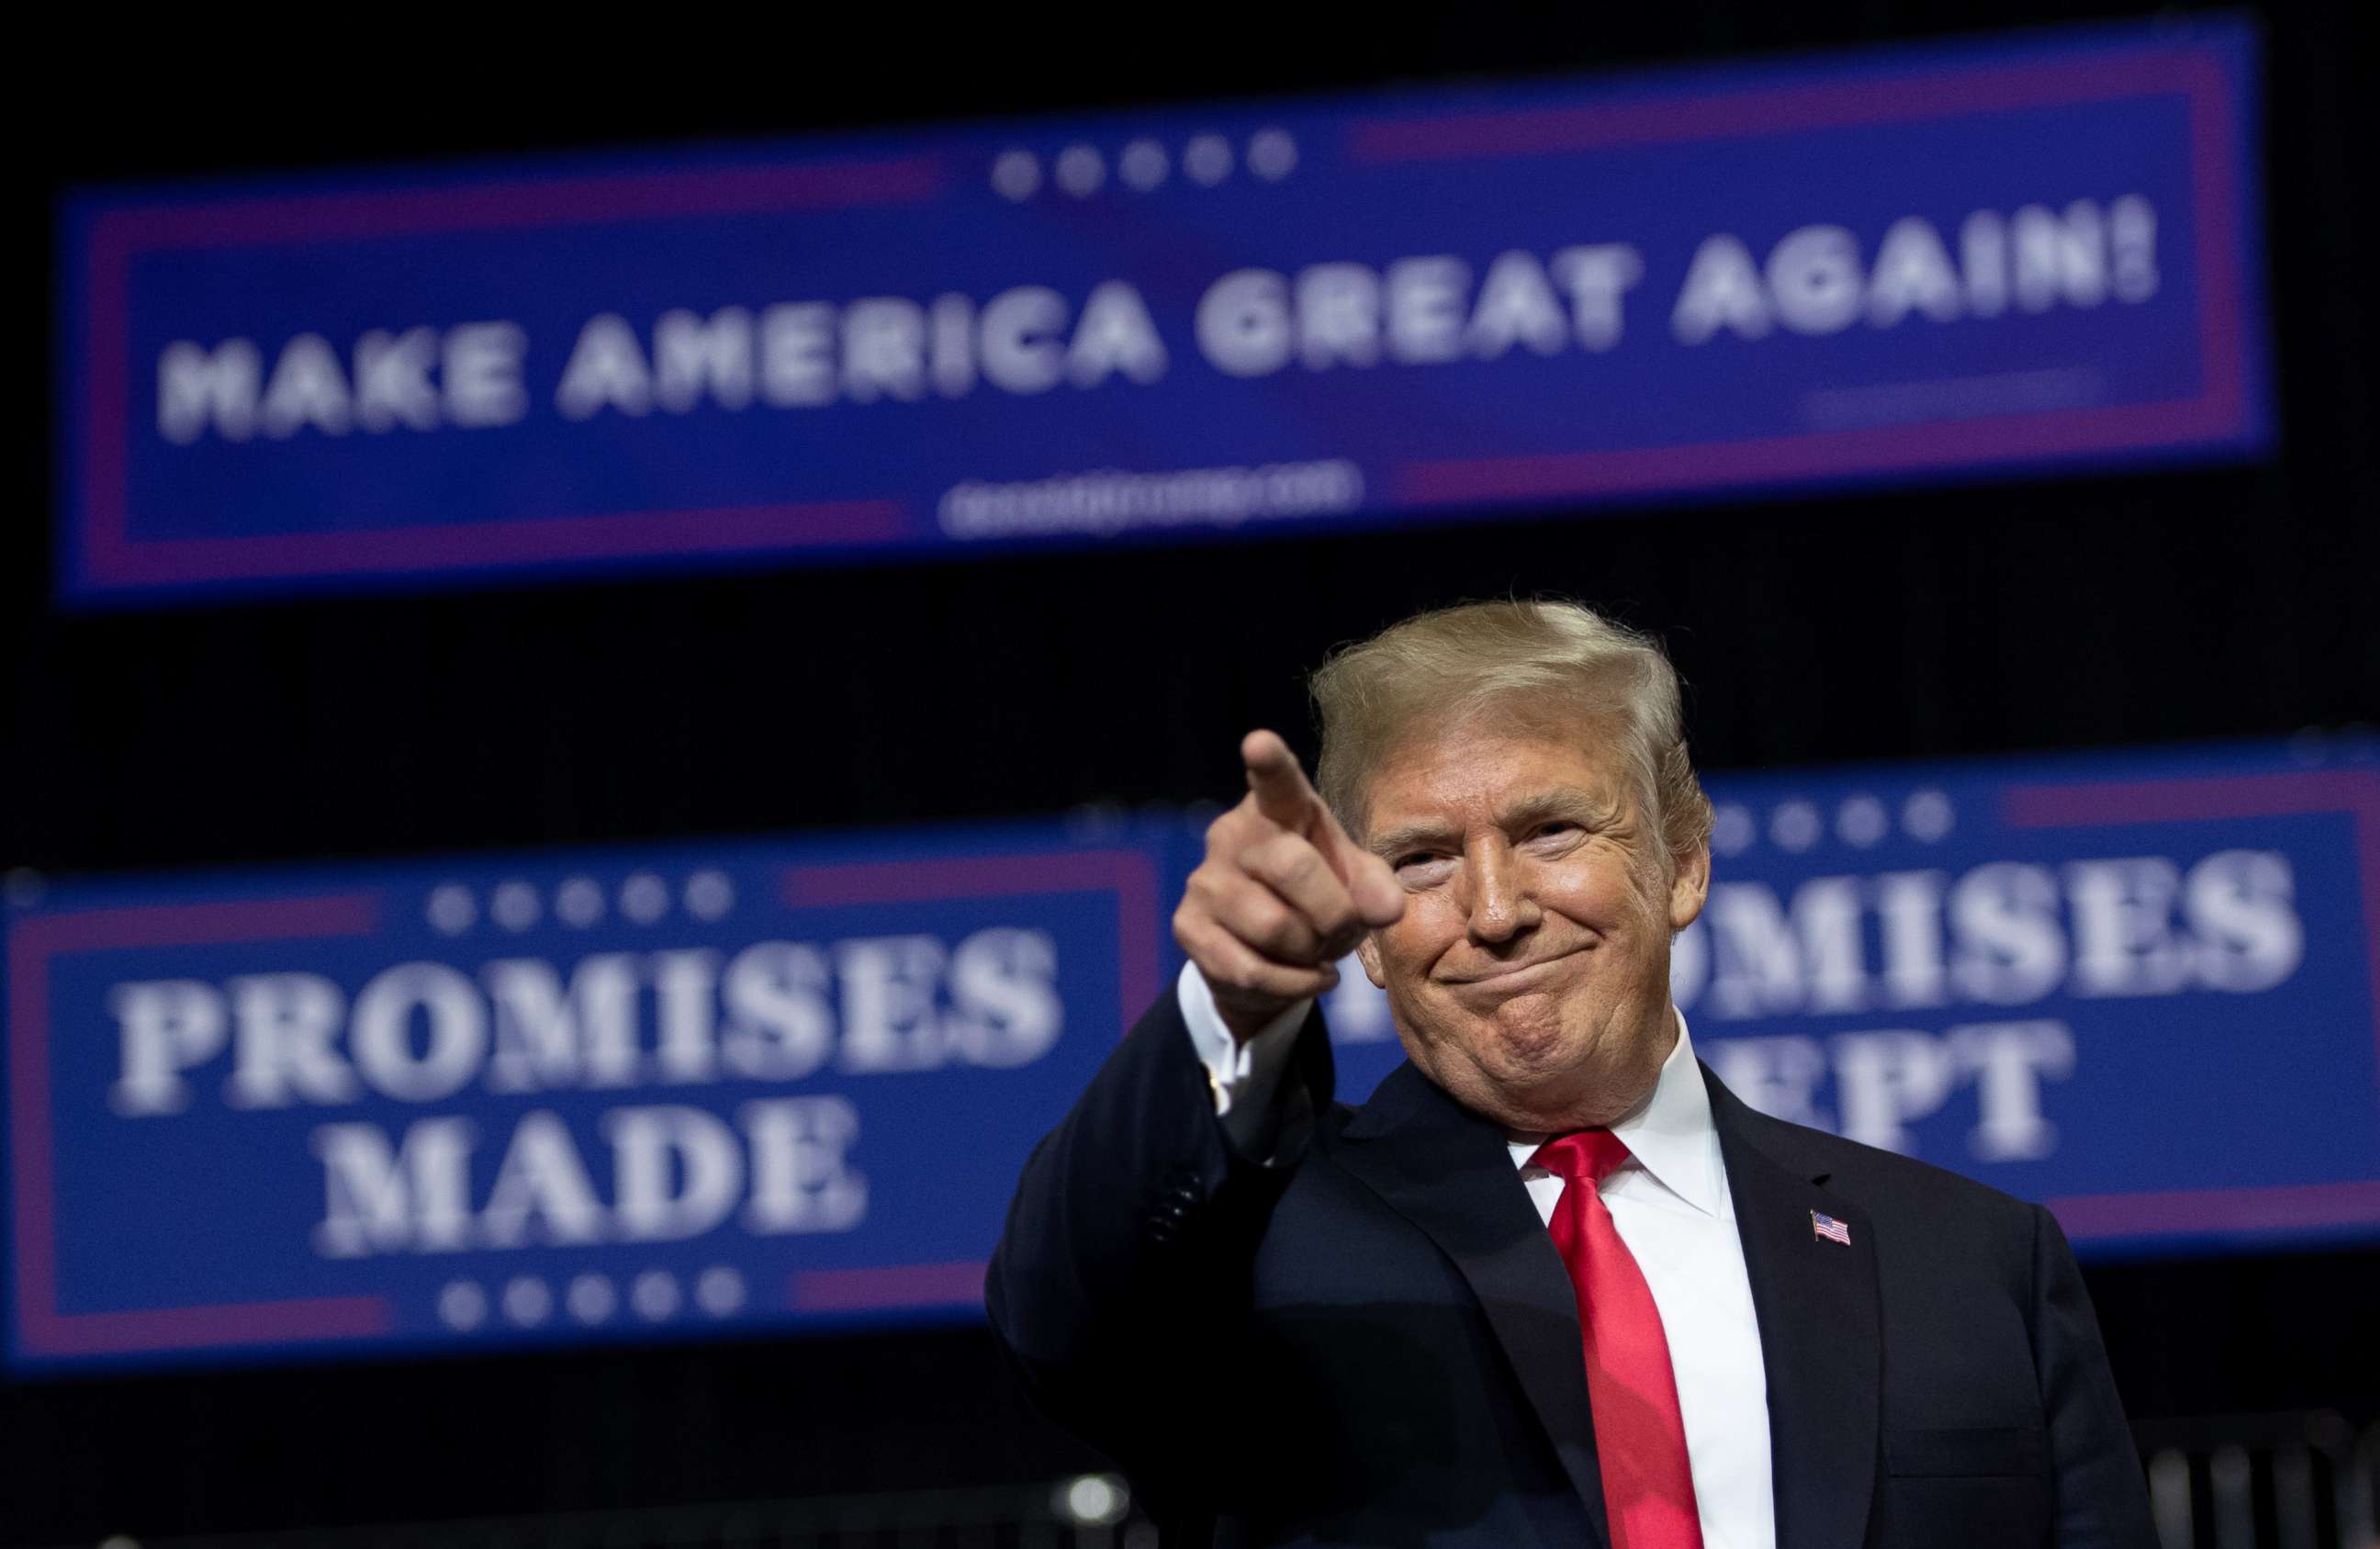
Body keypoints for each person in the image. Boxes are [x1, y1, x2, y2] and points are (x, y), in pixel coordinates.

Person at [987, 600, 2156, 1549]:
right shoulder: (1251, 1254)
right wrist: (1227, 1004)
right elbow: (1058, 1312)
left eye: (1551, 831)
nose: (1495, 912)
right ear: (1368, 936)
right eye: (1424, 858)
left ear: (1684, 861)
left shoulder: (1974, 1262)